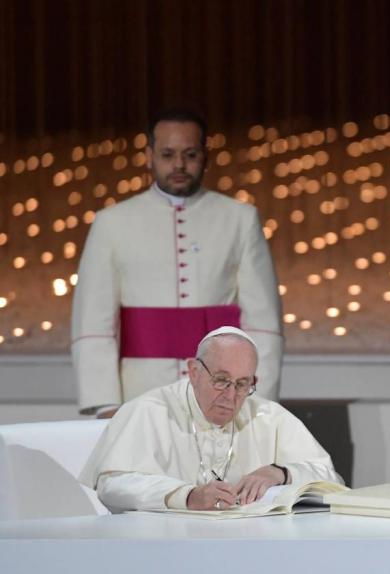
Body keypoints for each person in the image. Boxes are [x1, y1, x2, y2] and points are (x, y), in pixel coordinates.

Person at [71, 107, 283, 418]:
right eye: (168, 154)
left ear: (206, 156)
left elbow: (263, 322)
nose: (179, 165)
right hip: (138, 393)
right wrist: (105, 403)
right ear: (149, 155)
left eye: (190, 154)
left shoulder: (239, 219)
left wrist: (256, 399)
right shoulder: (111, 223)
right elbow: (94, 323)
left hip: (222, 390)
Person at [80, 327, 341, 512]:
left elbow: (332, 480)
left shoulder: (268, 416)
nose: (231, 396)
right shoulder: (149, 410)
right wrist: (188, 496)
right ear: (194, 372)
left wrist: (280, 472)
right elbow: (113, 485)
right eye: (221, 380)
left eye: (242, 384)